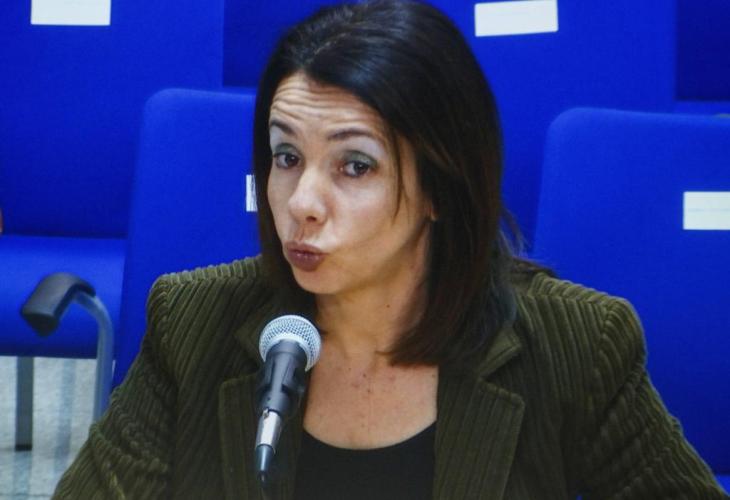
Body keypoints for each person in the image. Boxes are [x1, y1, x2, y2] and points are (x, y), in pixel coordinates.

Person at [54, 1, 727, 498]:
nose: (302, 201)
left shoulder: (575, 343)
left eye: (354, 166)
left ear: (440, 188)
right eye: (286, 156)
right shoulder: (192, 322)